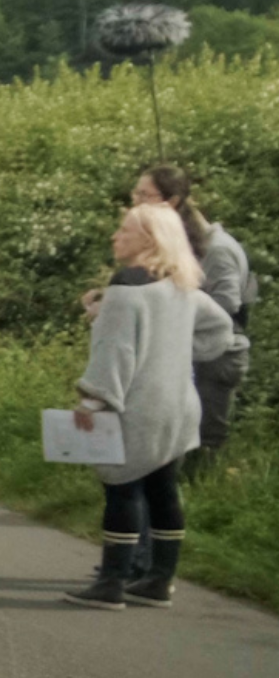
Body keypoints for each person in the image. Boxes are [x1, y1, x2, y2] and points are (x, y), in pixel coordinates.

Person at [62, 204, 235, 608]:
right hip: (178, 403)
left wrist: (95, 398)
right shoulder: (182, 284)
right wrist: (178, 353)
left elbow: (115, 351)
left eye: (124, 230)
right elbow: (221, 330)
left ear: (148, 239)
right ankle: (160, 580)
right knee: (163, 490)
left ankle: (111, 583)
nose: (115, 237)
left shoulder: (125, 285)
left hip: (138, 406)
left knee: (121, 489)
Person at [130, 166, 256, 460]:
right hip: (189, 354)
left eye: (144, 194)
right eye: (135, 193)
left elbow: (226, 304)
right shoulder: (176, 243)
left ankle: (202, 497)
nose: (136, 200)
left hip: (217, 357)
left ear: (171, 201)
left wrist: (174, 315)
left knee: (205, 443)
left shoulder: (218, 250)